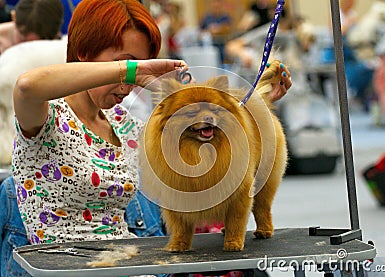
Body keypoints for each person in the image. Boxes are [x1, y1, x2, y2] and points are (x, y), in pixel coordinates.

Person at [1, 0, 292, 276]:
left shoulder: (126, 126)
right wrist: (133, 70)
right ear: (85, 53)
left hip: (128, 265)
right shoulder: (46, 120)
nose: (131, 83)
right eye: (125, 63)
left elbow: (211, 124)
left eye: (141, 64)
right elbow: (27, 86)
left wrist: (261, 102)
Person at [199, 0, 232, 65]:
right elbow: (201, 31)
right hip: (209, 43)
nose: (216, 7)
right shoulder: (207, 17)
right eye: (214, 6)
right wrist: (210, 31)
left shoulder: (225, 17)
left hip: (222, 43)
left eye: (218, 6)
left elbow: (227, 29)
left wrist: (218, 30)